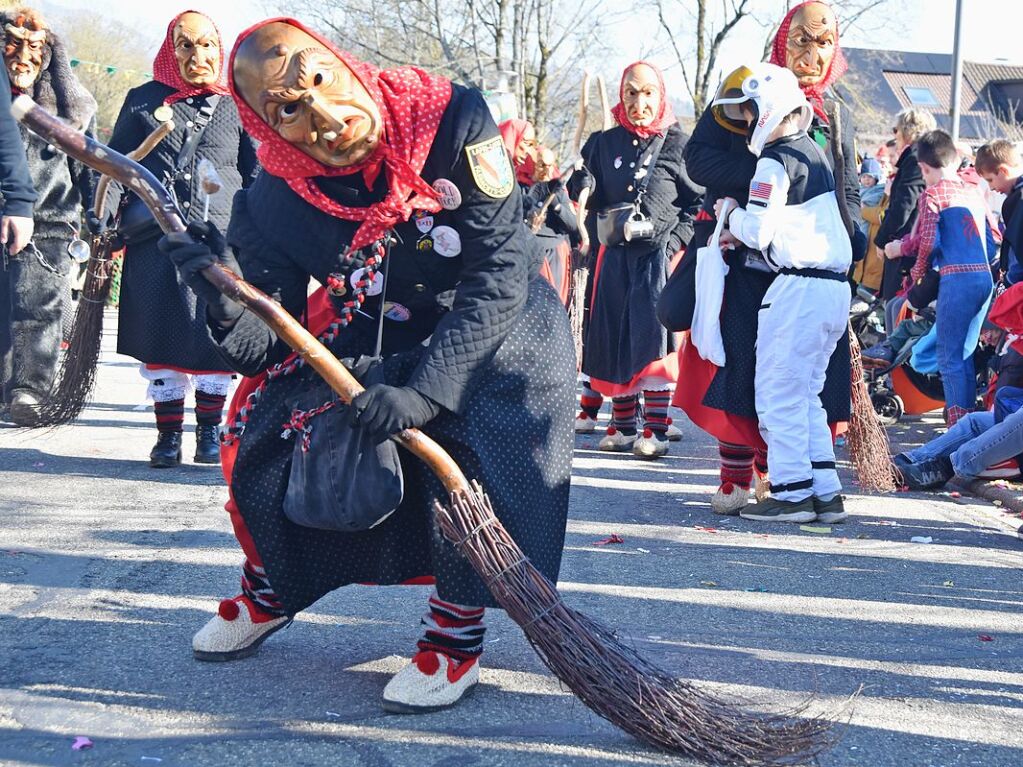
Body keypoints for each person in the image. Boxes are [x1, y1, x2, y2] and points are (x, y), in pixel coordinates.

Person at [159, 17, 575, 714]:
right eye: (287, 109)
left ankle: (454, 632)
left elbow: (499, 268)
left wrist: (429, 392)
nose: (323, 115)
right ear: (267, 128)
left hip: (497, 324)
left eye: (317, 79)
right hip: (384, 322)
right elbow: (268, 345)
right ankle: (274, 588)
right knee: (271, 428)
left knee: (470, 451)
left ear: (341, 63)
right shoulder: (271, 199)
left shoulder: (451, 119)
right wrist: (225, 293)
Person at [662, 0, 857, 514]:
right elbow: (698, 159)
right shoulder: (745, 90)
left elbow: (847, 188)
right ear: (780, 40)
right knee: (744, 367)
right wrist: (760, 184)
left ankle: (793, 486)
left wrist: (850, 244)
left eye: (823, 42)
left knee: (793, 384)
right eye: (800, 39)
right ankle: (738, 477)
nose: (810, 53)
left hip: (804, 265)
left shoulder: (835, 112)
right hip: (746, 265)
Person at [95, 11, 257, 467]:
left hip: (219, 240)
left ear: (219, 49)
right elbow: (114, 166)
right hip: (154, 239)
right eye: (186, 45)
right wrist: (102, 218)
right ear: (171, 49)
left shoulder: (239, 104)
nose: (197, 55)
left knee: (213, 334)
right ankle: (167, 437)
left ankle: (209, 433)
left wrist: (262, 234)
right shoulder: (142, 101)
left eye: (207, 45)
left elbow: (259, 173)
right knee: (159, 334)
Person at [711, 63, 851, 523]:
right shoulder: (814, 152)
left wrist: (728, 214)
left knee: (778, 393)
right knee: (806, 393)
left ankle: (791, 493)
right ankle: (824, 493)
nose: (749, 121)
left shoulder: (774, 160)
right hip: (832, 289)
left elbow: (759, 228)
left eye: (750, 110)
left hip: (799, 287)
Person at [577, 60, 701, 459]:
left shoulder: (680, 145)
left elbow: (697, 205)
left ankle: (656, 428)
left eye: (648, 93)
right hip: (613, 256)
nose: (639, 101)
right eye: (631, 92)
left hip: (656, 259)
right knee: (614, 338)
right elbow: (591, 197)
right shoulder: (603, 143)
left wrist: (672, 246)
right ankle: (624, 425)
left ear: (661, 95)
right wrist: (579, 184)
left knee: (652, 340)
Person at [0, 8, 94, 426]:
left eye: (33, 48)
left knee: (40, 308)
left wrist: (100, 218)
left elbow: (90, 164)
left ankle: (31, 391)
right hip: (5, 215)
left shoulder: (70, 107)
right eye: (11, 45)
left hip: (54, 221)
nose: (21, 57)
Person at [886, 130, 994, 425]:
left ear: (923, 168)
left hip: (956, 279)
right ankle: (969, 423)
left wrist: (915, 275)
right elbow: (992, 237)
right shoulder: (973, 191)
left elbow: (928, 243)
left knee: (949, 357)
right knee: (966, 354)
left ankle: (959, 430)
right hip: (983, 277)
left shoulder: (933, 194)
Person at [499, 118, 579, 304]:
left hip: (555, 252)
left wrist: (556, 205)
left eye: (550, 165)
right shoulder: (519, 186)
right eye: (542, 164)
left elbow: (573, 225)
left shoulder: (556, 186)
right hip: (529, 252)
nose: (547, 170)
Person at [876, 108, 936, 303]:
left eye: (896, 129)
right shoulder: (921, 156)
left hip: (905, 243)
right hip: (909, 241)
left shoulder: (914, 158)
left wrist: (882, 239)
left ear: (908, 130)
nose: (895, 134)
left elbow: (904, 205)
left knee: (895, 306)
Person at [976, 139, 1023, 287]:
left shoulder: (1018, 200)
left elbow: (1018, 246)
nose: (990, 188)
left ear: (1003, 171)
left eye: (990, 180)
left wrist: (1007, 283)